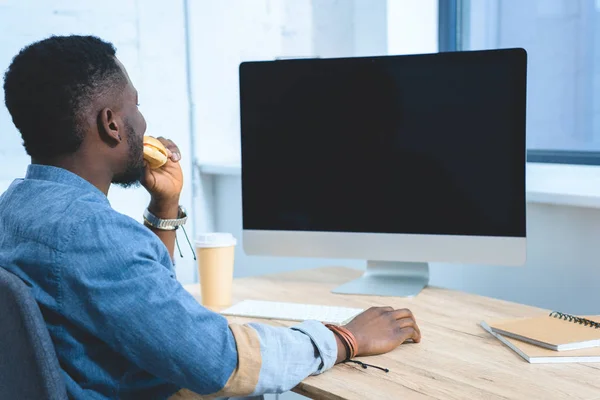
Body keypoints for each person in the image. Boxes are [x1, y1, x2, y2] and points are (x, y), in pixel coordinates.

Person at [0, 35, 421, 400]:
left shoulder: (15, 209)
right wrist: (347, 338)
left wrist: (164, 207)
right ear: (111, 124)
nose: (142, 121)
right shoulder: (91, 233)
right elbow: (218, 362)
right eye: (136, 106)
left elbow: (141, 304)